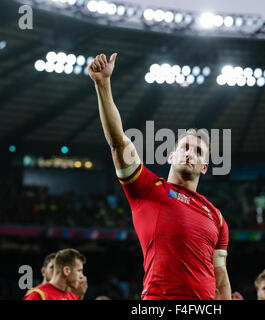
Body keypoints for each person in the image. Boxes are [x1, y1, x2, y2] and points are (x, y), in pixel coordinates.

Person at [88, 53, 231, 300]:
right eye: (185, 147)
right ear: (170, 156)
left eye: (198, 151)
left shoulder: (216, 217)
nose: (190, 154)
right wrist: (103, 84)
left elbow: (220, 277)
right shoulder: (147, 188)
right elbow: (118, 142)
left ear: (205, 167)